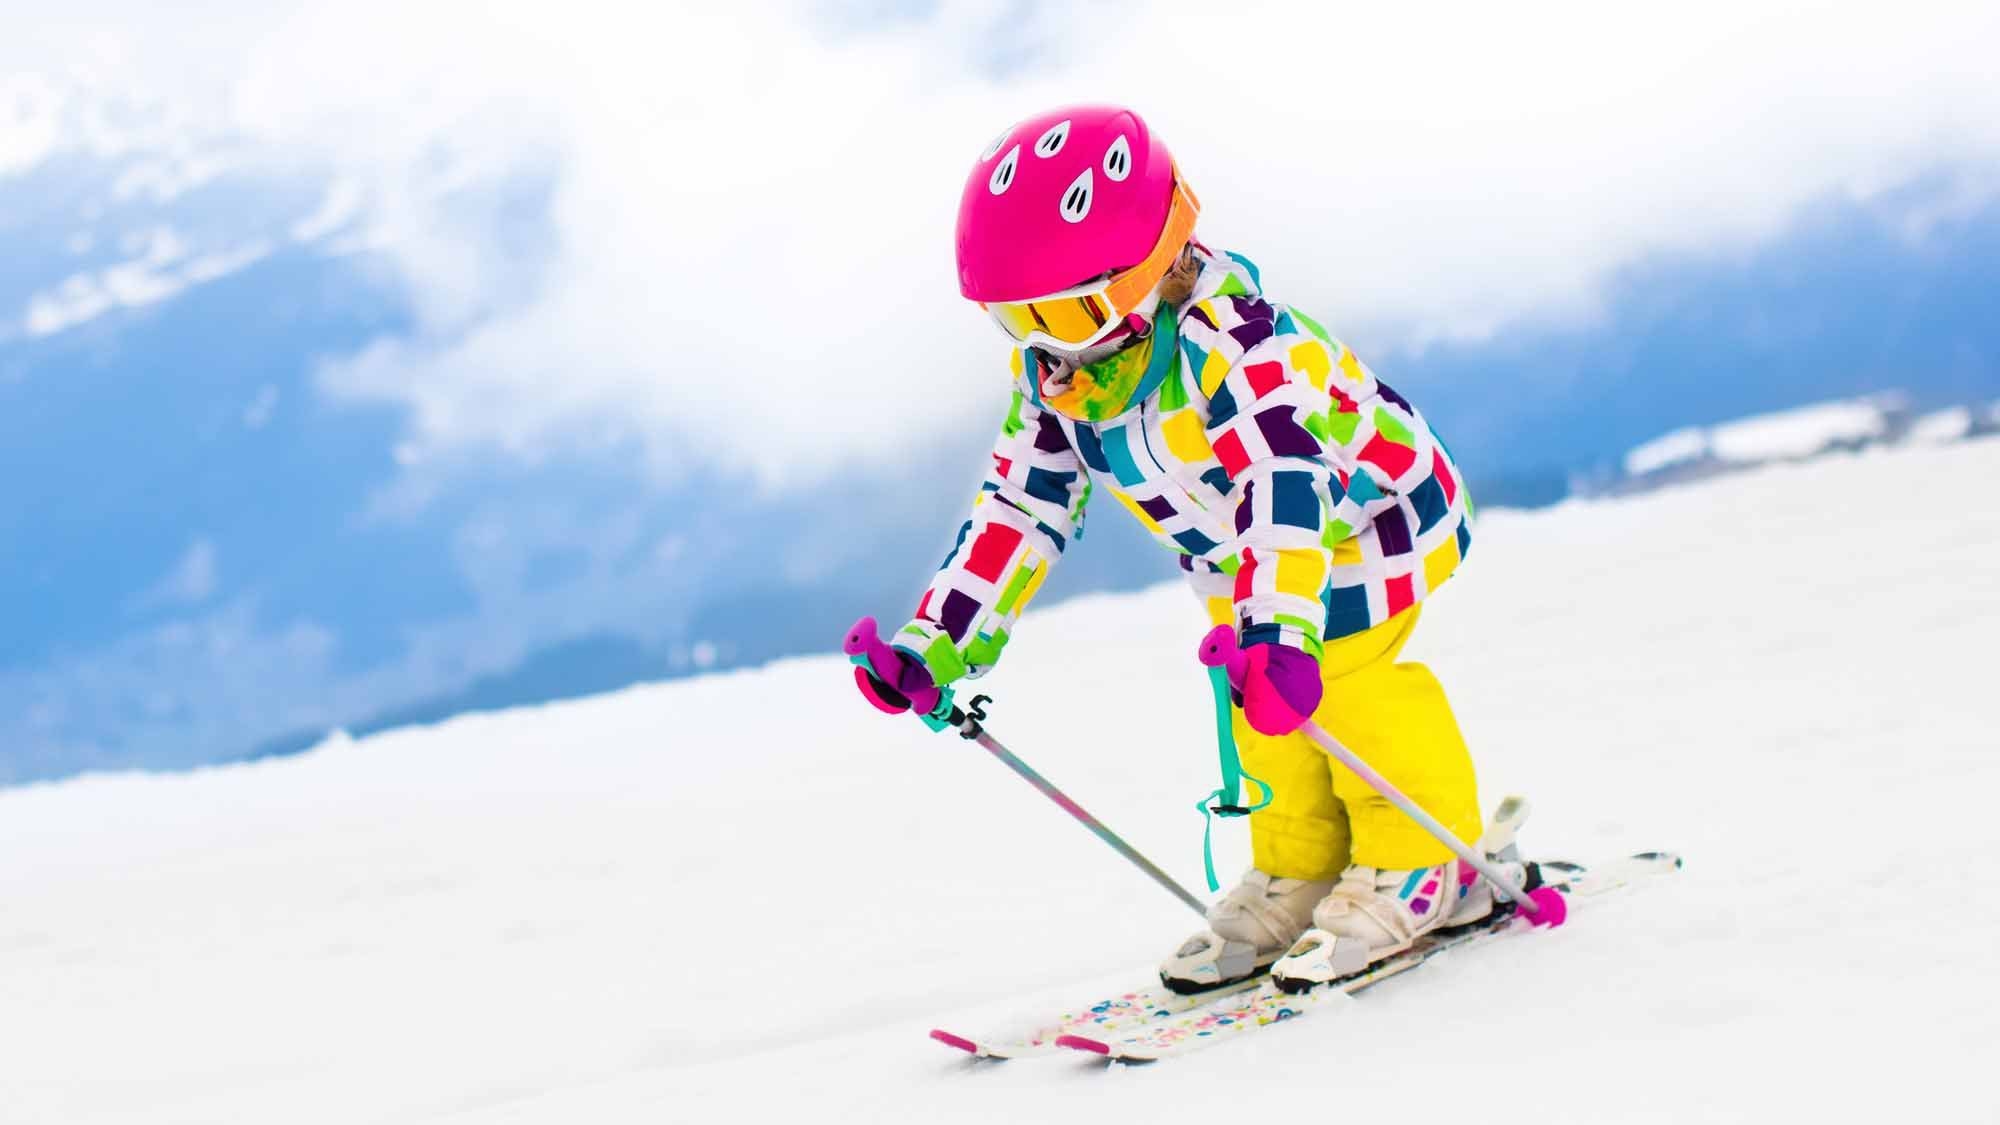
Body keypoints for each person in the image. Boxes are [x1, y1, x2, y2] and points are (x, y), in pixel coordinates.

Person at [852, 104, 1490, 992]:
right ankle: (1301, 866)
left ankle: (1424, 857)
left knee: (1342, 680)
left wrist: (1279, 630)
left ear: (1150, 268)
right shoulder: (1067, 384)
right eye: (1014, 319)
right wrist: (938, 641)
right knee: (1260, 708)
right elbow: (1017, 509)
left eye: (1069, 312)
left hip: (1372, 519)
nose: (1046, 348)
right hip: (1252, 565)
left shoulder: (1244, 349)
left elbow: (1283, 489)